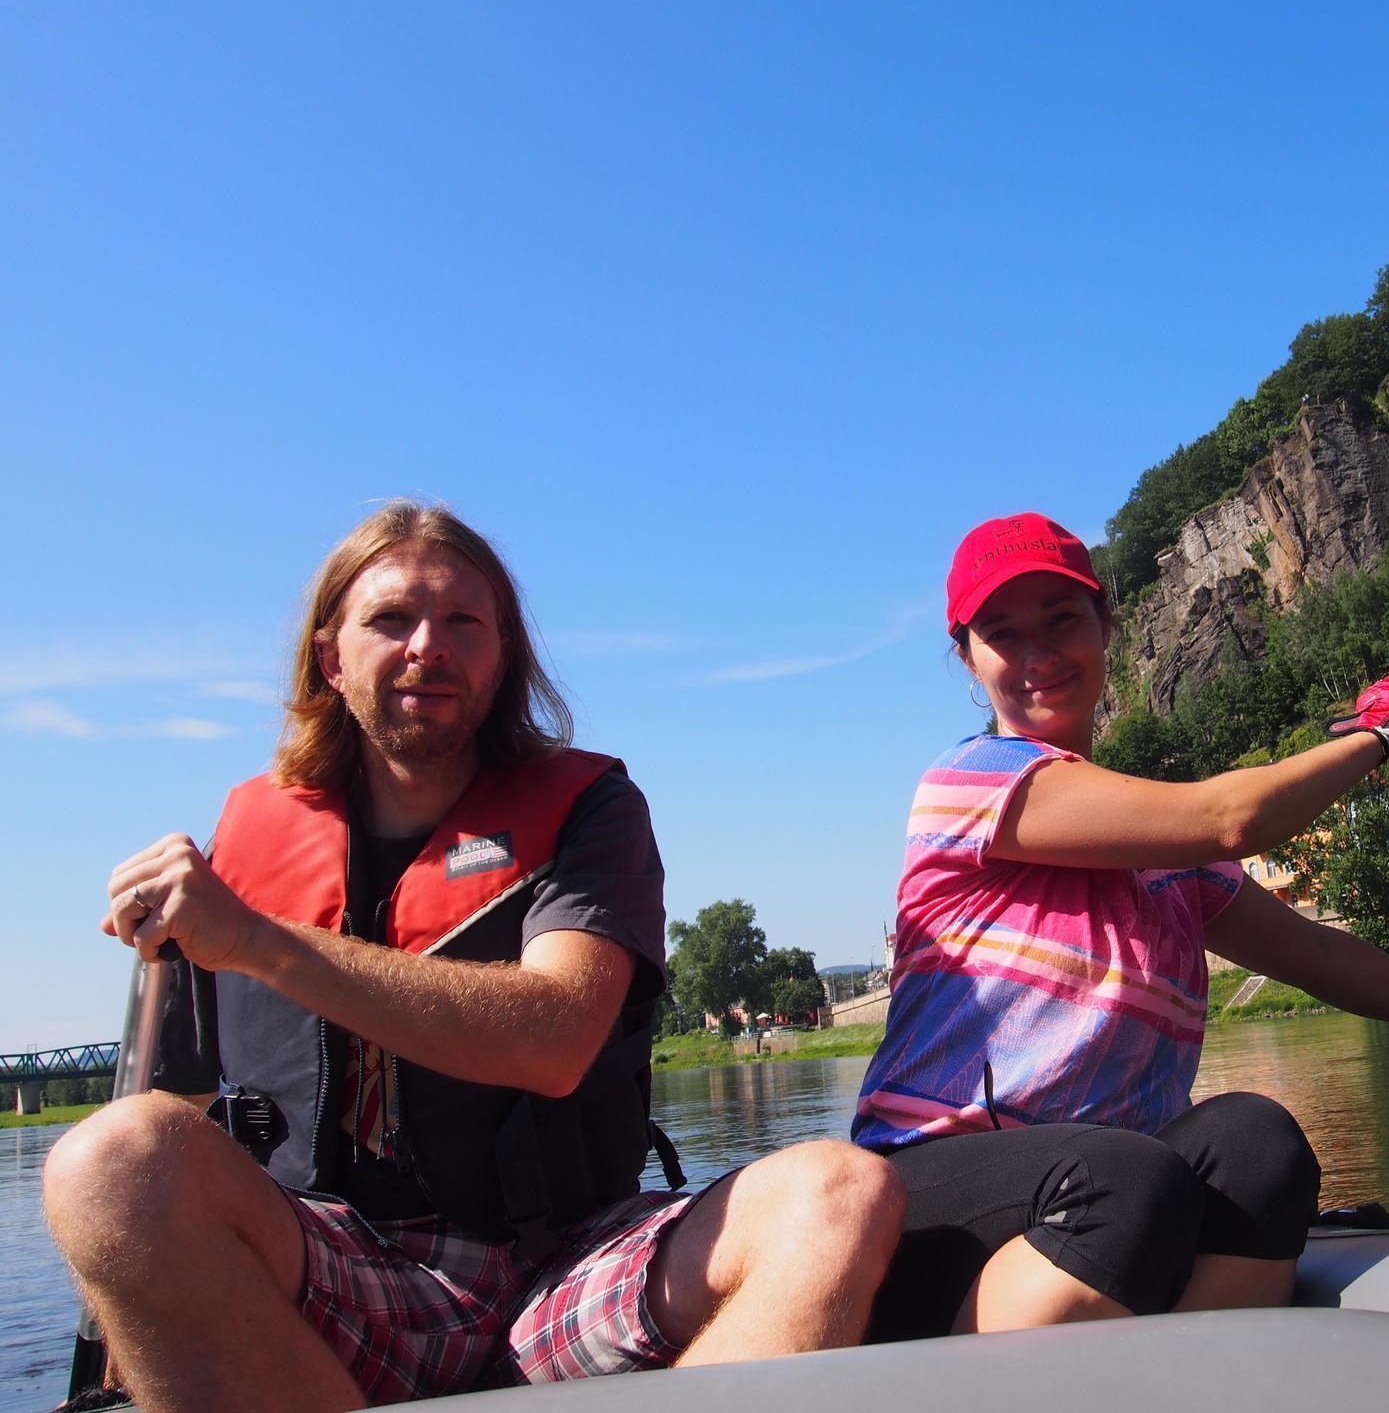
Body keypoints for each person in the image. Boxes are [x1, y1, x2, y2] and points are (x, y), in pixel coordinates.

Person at [45, 502, 904, 1413]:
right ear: (331, 659)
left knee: (839, 1192)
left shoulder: (591, 813)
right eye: (390, 620)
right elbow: (174, 1121)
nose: (429, 646)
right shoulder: (238, 853)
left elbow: (557, 1035)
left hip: (566, 1253)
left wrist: (261, 941)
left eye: (464, 622)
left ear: (502, 661)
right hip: (348, 1268)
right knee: (107, 1164)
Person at [851, 512, 1389, 1340]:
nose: (1037, 655)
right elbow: (1233, 817)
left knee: (1257, 1145)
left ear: (1107, 625)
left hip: (1109, 1200)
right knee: (1121, 1176)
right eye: (1003, 634)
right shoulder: (971, 783)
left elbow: (1315, 954)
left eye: (1062, 620)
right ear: (969, 658)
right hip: (928, 1198)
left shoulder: (1165, 858)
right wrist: (1380, 737)